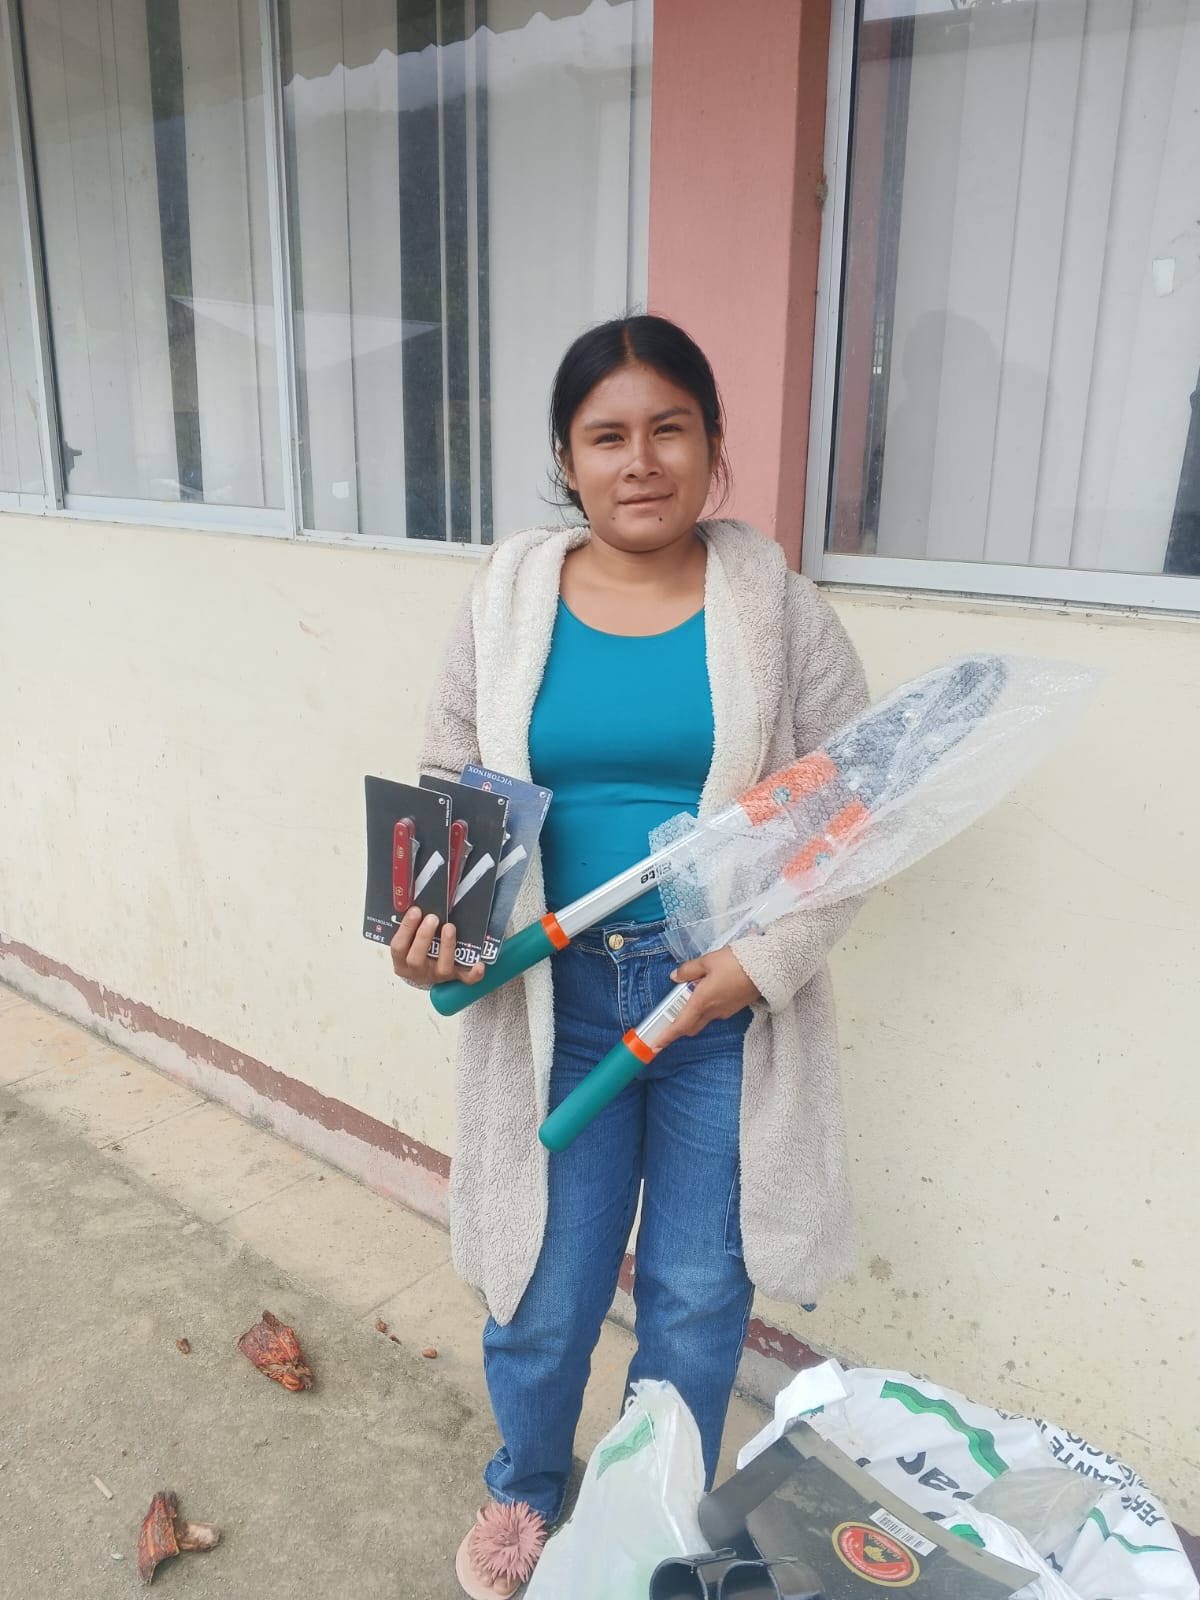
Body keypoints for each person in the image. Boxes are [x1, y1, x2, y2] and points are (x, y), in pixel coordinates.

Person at [389, 315, 869, 1599]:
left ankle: (651, 1514)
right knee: (546, 1280)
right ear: (567, 457)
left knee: (699, 1292)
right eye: (608, 435)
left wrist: (764, 963)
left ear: (713, 446)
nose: (640, 460)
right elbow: (451, 775)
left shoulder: (781, 610)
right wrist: (434, 940)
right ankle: (527, 1490)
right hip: (555, 996)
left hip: (718, 997)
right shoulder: (505, 601)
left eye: (671, 429)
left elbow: (850, 812)